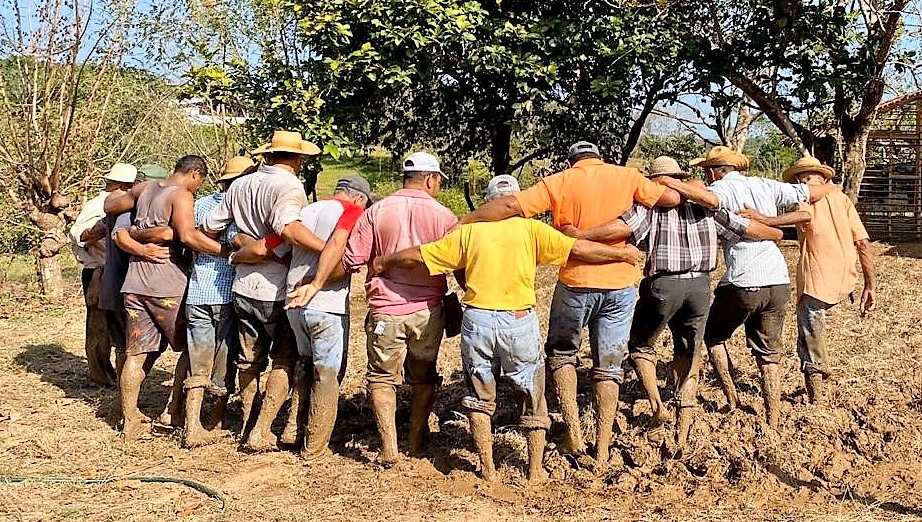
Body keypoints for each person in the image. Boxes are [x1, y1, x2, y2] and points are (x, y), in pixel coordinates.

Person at [372, 175, 645, 483]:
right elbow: (580, 250)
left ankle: (487, 469)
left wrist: (384, 262)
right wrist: (621, 254)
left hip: (478, 322)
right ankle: (535, 470)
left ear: (489, 202)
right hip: (519, 322)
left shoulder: (469, 233)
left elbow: (419, 255)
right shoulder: (532, 230)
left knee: (478, 396)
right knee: (532, 394)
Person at [458, 141, 680, 470]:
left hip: (576, 281)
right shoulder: (628, 176)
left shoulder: (559, 181)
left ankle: (574, 435)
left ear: (571, 161)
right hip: (620, 284)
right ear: (601, 157)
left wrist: (468, 218)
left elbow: (509, 208)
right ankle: (602, 448)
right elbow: (671, 198)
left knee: (562, 355)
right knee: (609, 366)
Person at [561, 156, 784, 449]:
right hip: (700, 287)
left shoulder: (650, 206)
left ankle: (657, 405)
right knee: (689, 352)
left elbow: (621, 228)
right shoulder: (705, 206)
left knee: (640, 345)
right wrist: (776, 232)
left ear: (654, 181)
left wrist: (580, 235)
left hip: (663, 285)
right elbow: (746, 228)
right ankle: (683, 428)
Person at [656, 145, 839, 427]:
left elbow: (709, 200)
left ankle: (732, 397)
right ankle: (773, 417)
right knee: (769, 354)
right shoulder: (767, 185)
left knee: (714, 336)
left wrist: (669, 182)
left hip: (744, 279)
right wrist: (827, 182)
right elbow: (814, 193)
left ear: (713, 171)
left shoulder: (723, 190)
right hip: (778, 279)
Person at [199, 130, 326, 450]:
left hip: (242, 286)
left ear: (268, 155)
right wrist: (328, 250)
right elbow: (288, 229)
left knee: (248, 361)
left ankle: (245, 422)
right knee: (283, 359)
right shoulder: (289, 186)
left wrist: (242, 244)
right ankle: (262, 429)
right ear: (298, 159)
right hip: (277, 287)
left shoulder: (241, 184)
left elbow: (210, 228)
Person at [232, 175, 372, 459]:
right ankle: (314, 448)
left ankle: (285, 430)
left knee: (301, 364)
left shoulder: (304, 213)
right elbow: (340, 245)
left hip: (293, 303)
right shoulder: (353, 211)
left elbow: (263, 247)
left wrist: (235, 257)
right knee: (328, 373)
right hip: (326, 304)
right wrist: (318, 280)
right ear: (359, 198)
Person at [340, 152, 458, 465]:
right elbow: (458, 264)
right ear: (431, 179)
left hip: (384, 310)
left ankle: (389, 448)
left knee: (381, 378)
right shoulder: (445, 216)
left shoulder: (375, 212)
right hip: (428, 311)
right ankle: (417, 441)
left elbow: (352, 260)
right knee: (424, 377)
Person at [738, 156, 876, 405]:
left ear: (822, 179)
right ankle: (817, 386)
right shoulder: (843, 199)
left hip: (816, 278)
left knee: (809, 332)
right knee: (813, 329)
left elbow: (803, 215)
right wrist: (869, 284)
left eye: (808, 178)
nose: (804, 183)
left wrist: (764, 219)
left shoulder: (808, 200)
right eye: (801, 180)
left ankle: (817, 395)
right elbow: (863, 243)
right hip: (843, 275)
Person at [112, 155, 227, 440]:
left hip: (135, 282)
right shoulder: (182, 196)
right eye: (199, 182)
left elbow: (110, 204)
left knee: (136, 354)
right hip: (168, 286)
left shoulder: (144, 189)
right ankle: (176, 411)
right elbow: (188, 237)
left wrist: (137, 234)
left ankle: (129, 421)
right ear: (195, 175)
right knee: (191, 346)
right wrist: (226, 253)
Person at [178, 156, 255, 447]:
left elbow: (190, 240)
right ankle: (216, 419)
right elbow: (239, 245)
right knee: (223, 361)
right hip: (225, 294)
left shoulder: (201, 204)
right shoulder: (240, 208)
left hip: (197, 291)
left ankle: (191, 425)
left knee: (198, 360)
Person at [99, 164, 172, 383]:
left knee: (128, 347)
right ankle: (124, 404)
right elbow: (119, 236)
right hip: (126, 286)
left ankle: (124, 401)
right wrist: (145, 250)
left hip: (118, 286)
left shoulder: (120, 203)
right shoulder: (130, 208)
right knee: (130, 349)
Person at [69, 162, 138, 386]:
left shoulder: (121, 204)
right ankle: (100, 375)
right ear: (120, 185)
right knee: (99, 325)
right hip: (98, 270)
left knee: (117, 323)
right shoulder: (100, 204)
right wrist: (100, 232)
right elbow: (78, 234)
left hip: (114, 269)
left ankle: (114, 375)